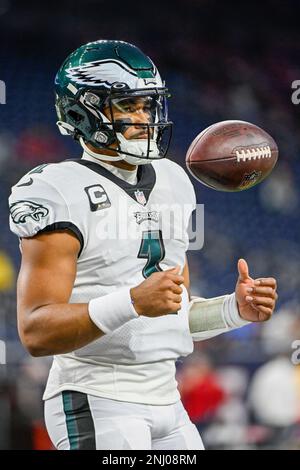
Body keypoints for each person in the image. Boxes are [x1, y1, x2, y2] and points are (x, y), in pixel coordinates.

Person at [9, 40, 278, 450]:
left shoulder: (173, 180)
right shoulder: (56, 189)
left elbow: (172, 314)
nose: (143, 118)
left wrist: (233, 310)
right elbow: (35, 331)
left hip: (168, 399)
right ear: (85, 111)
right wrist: (133, 301)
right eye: (128, 106)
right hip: (97, 399)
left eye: (147, 106)